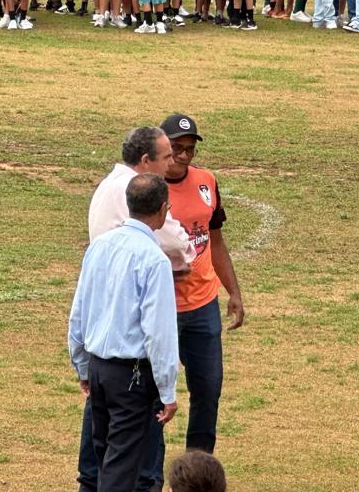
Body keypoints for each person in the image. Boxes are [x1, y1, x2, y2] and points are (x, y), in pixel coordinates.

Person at [79, 128, 193, 492]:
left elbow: (78, 313)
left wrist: (81, 365)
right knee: (122, 466)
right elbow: (158, 333)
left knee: (99, 458)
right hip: (131, 375)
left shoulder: (98, 247)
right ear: (162, 210)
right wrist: (168, 390)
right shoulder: (153, 260)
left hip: (98, 367)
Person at [137, 115, 245, 492]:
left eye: (189, 148)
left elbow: (214, 239)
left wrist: (233, 291)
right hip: (160, 310)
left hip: (202, 305)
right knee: (153, 396)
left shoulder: (207, 182)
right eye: (176, 148)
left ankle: (197, 479)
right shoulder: (147, 190)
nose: (183, 155)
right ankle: (151, 475)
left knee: (208, 390)